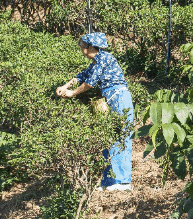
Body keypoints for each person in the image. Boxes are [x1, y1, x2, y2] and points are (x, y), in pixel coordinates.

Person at [55, 32, 134, 192]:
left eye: (82, 47)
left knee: (121, 137)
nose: (81, 50)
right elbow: (83, 75)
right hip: (110, 98)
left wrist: (72, 93)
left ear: (89, 47)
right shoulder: (97, 60)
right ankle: (109, 181)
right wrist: (65, 86)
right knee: (109, 137)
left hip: (119, 97)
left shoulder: (104, 58)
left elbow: (90, 82)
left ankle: (123, 182)